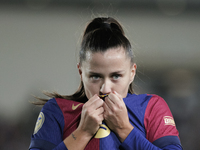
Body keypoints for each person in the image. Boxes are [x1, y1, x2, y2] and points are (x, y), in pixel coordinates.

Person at [29, 17, 182, 150]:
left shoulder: (151, 107)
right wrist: (83, 132)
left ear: (132, 73)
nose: (105, 89)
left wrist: (124, 129)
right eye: (95, 77)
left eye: (116, 76)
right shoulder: (57, 110)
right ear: (81, 73)